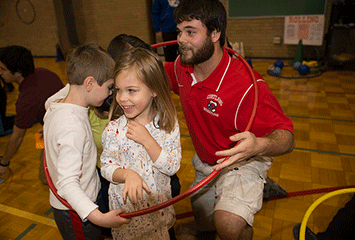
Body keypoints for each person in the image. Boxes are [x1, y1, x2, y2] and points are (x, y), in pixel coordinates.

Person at [164, 0, 295, 239]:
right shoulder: (179, 68)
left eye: (191, 32)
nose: (181, 39)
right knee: (206, 225)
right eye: (179, 31)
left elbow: (287, 137)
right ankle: (257, 191)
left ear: (215, 34)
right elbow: (150, 76)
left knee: (228, 225)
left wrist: (259, 145)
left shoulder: (247, 85)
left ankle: (257, 182)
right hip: (207, 161)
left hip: (243, 159)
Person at [43, 42, 130, 239]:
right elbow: (67, 183)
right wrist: (100, 218)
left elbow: (49, 101)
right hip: (76, 212)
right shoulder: (72, 126)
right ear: (89, 83)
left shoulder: (56, 105)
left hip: (82, 202)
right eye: (109, 87)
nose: (110, 94)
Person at [100, 48, 181, 239]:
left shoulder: (167, 124)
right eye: (118, 90)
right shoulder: (114, 129)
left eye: (131, 91)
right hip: (128, 223)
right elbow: (106, 167)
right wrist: (127, 174)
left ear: (154, 89)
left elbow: (172, 166)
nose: (122, 98)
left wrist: (148, 140)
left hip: (159, 220)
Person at [0, 45, 64, 184]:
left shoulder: (26, 99)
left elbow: (17, 137)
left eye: (2, 69)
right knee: (40, 139)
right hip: (61, 123)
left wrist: (4, 162)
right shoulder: (43, 72)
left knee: (45, 178)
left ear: (18, 72)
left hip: (62, 131)